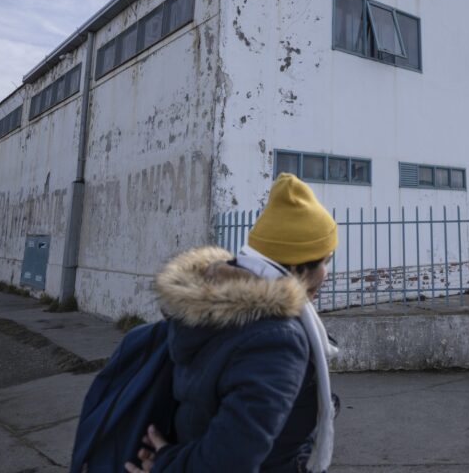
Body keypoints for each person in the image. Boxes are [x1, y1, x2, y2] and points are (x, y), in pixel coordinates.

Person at [126, 173, 339, 473]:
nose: (327, 272)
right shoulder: (276, 339)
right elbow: (229, 460)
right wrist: (167, 464)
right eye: (326, 260)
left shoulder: (214, 310)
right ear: (297, 267)